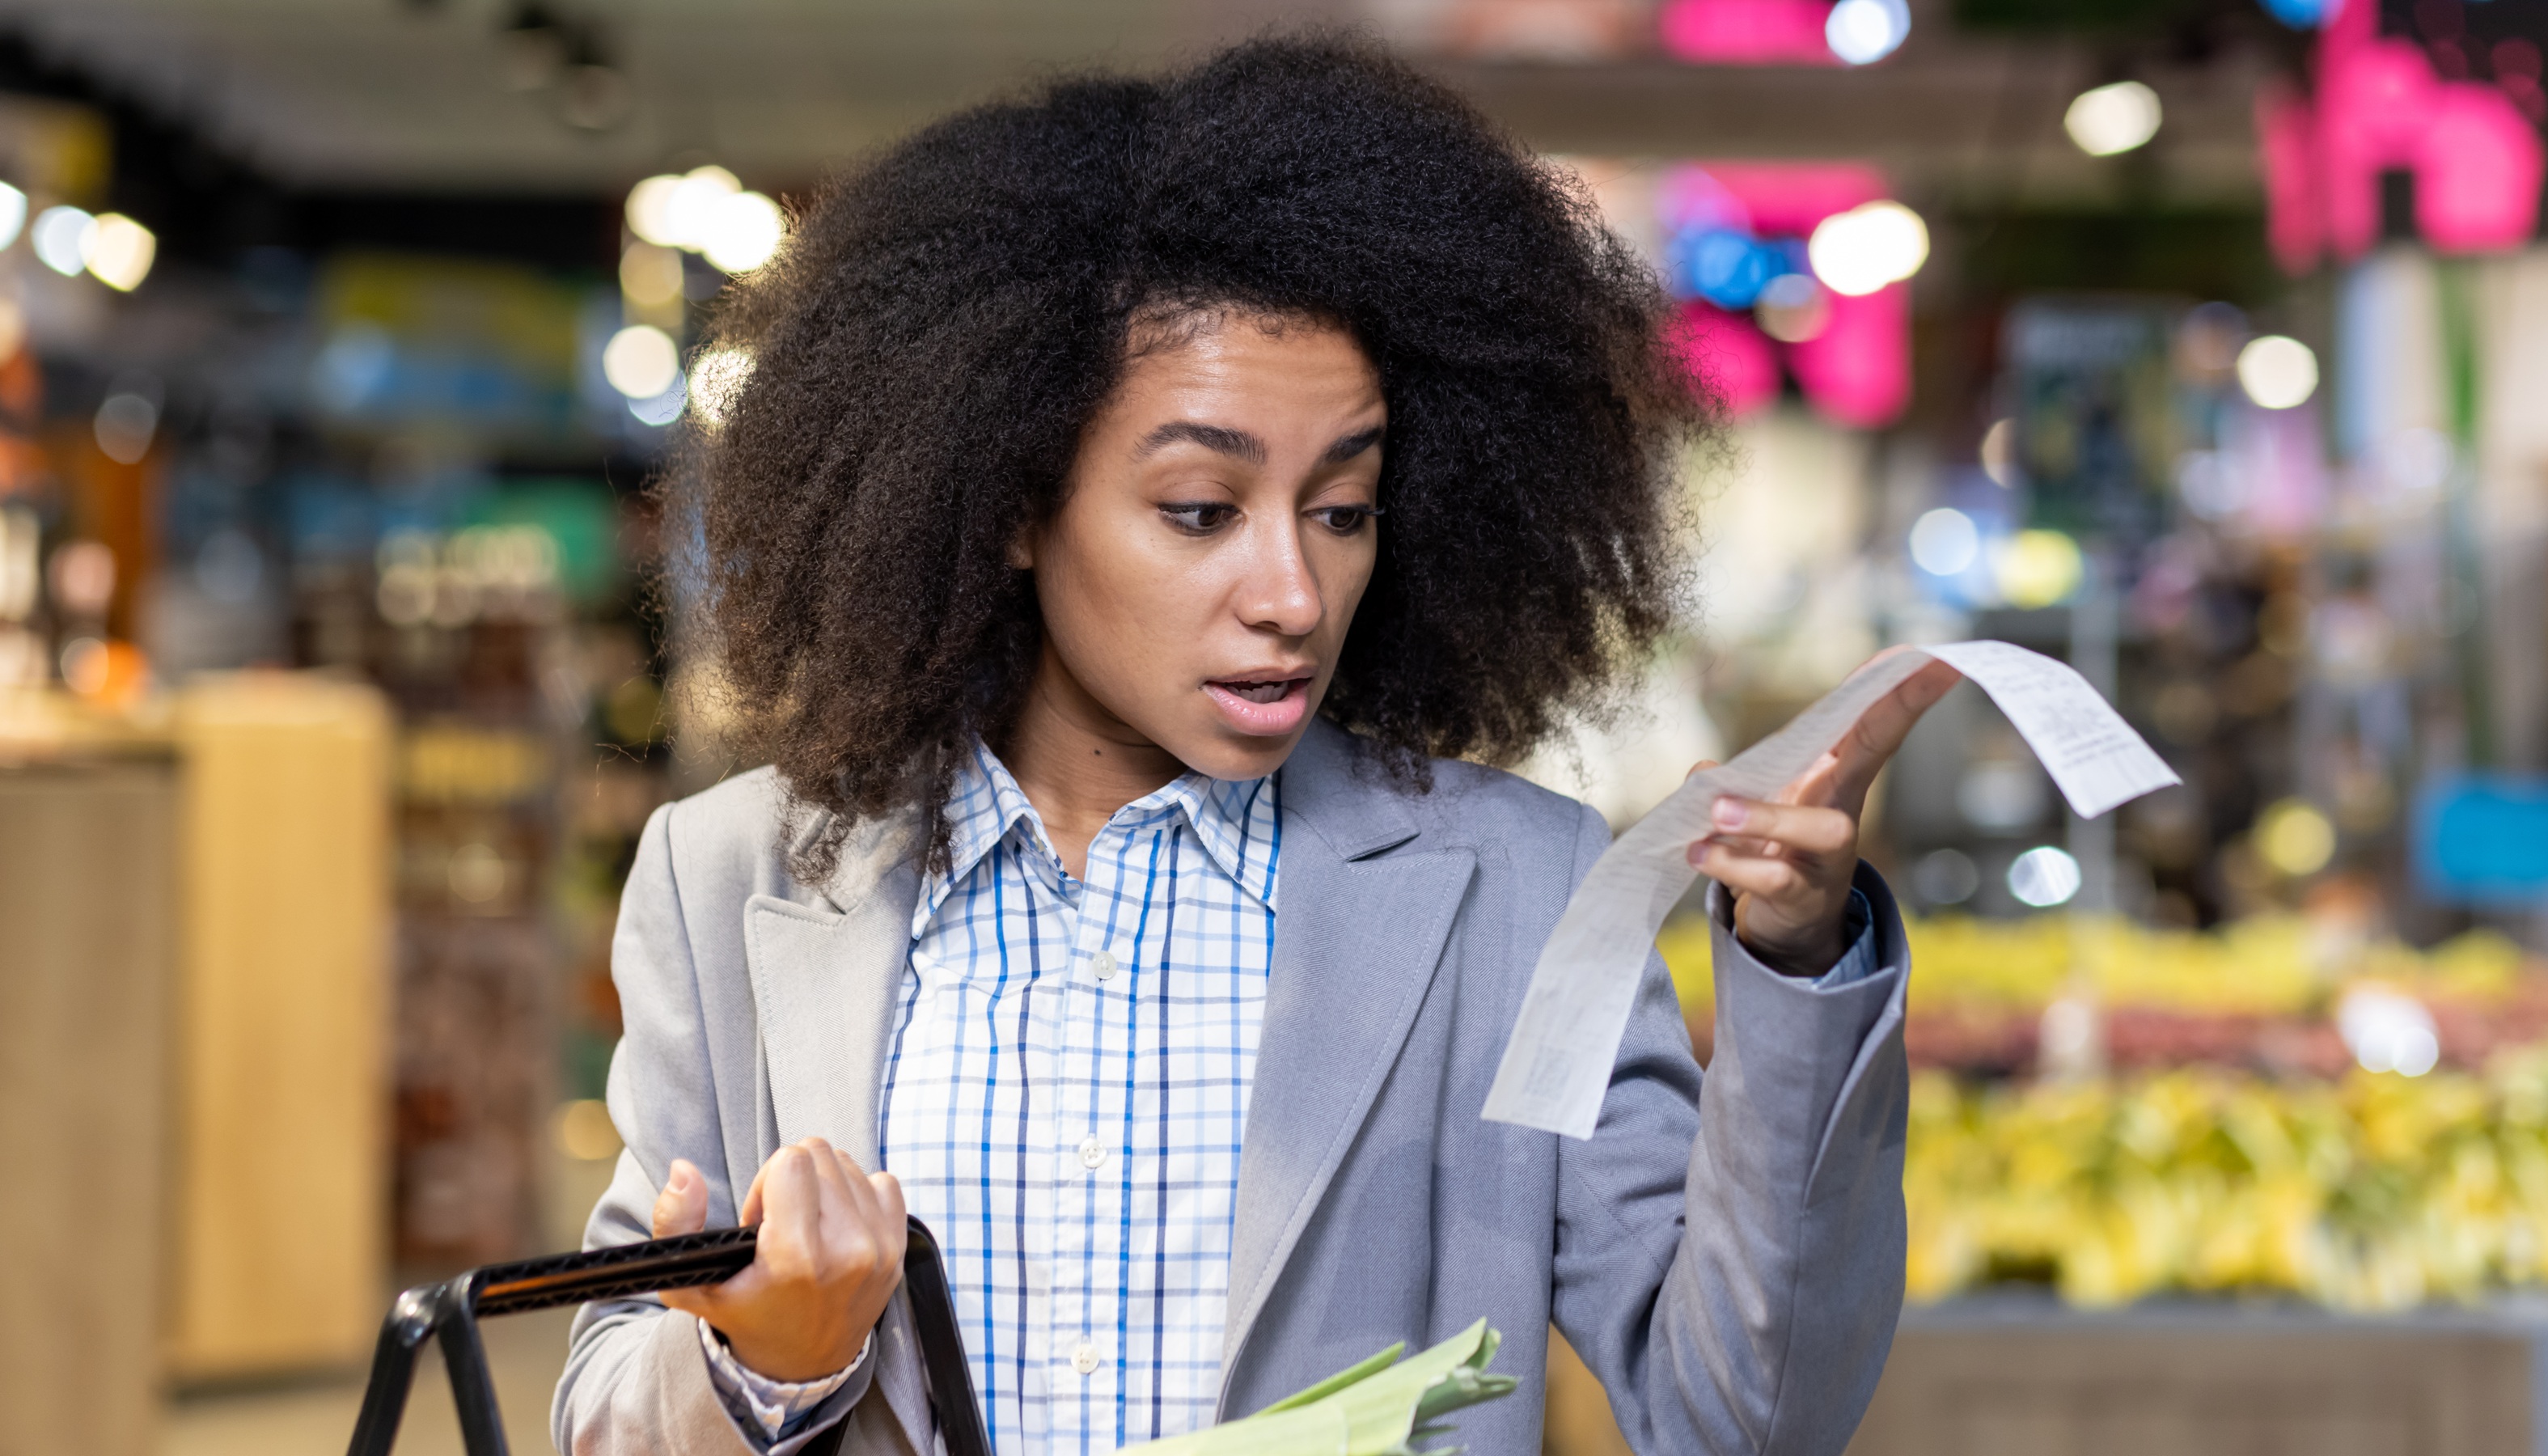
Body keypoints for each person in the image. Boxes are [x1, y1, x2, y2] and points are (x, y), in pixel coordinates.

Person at [553, 35, 1958, 1456]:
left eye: (1341, 511)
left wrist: (1794, 963)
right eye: (1200, 510)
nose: (1293, 594)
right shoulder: (730, 876)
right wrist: (764, 1370)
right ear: (1014, 501)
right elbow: (599, 1402)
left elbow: (1742, 1415)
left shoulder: (1515, 895)